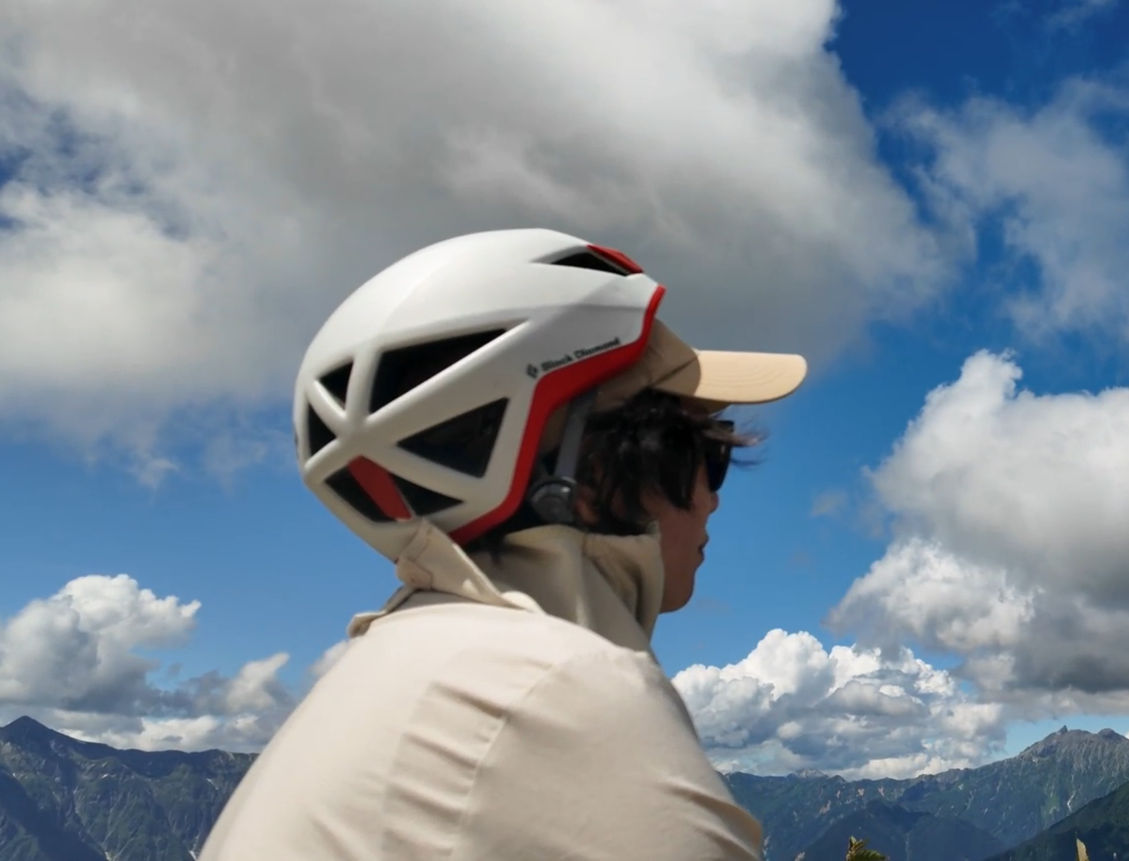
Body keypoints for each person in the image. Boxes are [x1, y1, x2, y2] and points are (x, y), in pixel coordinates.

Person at [200, 228, 806, 860]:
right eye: (706, 455)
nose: (713, 498)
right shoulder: (562, 695)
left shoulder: (387, 669)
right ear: (592, 473)